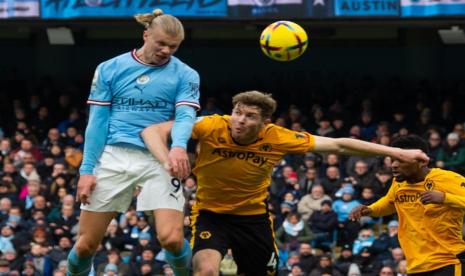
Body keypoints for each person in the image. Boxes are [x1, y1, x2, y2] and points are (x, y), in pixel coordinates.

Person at [141, 91, 428, 276]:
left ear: (265, 122)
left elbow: (339, 145)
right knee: (205, 271)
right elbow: (153, 130)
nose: (239, 120)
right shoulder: (211, 125)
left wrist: (397, 152)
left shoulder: (278, 137)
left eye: (250, 116)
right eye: (238, 112)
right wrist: (169, 157)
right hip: (210, 215)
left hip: (253, 219)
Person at [67, 9, 200, 276]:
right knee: (84, 246)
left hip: (158, 157)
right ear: (145, 34)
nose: (166, 50)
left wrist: (178, 146)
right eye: (161, 43)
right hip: (113, 155)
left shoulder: (186, 75)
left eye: (173, 47)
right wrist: (86, 170)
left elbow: (186, 115)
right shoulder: (109, 68)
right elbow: (97, 122)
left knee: (172, 240)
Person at [350, 134, 465, 275]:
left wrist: (445, 198)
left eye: (400, 160)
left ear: (422, 161)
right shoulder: (398, 183)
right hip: (415, 265)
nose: (394, 165)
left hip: (447, 262)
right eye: (392, 160)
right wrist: (370, 209)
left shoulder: (448, 179)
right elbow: (389, 202)